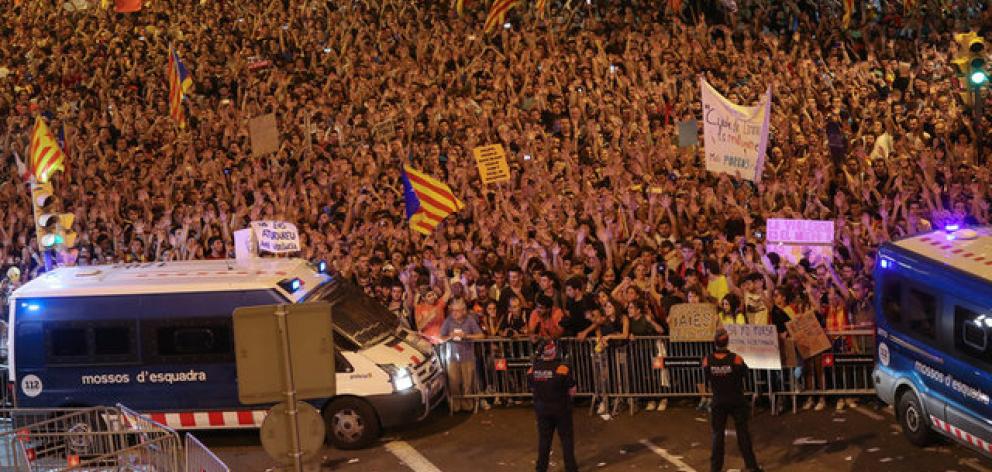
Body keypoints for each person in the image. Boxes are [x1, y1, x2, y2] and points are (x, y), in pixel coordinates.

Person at [703, 327, 762, 472]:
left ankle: (715, 468)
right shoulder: (736, 358)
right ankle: (751, 466)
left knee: (718, 435)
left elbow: (707, 378)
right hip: (736, 399)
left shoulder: (707, 360)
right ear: (728, 342)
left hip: (718, 400)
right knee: (743, 433)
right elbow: (744, 373)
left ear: (715, 342)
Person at [528, 340, 578, 472]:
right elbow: (572, 389)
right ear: (553, 351)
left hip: (542, 409)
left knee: (544, 441)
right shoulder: (562, 368)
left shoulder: (533, 368)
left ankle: (541, 468)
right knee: (566, 440)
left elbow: (532, 387)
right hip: (561, 408)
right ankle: (571, 468)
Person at [440, 299, 485, 413]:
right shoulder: (448, 321)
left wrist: (466, 336)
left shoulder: (470, 320)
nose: (454, 313)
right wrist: (449, 336)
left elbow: (481, 335)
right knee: (454, 382)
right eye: (453, 311)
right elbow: (440, 337)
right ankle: (456, 406)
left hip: (467, 356)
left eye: (457, 311)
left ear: (463, 311)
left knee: (467, 383)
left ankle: (468, 406)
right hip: (452, 357)